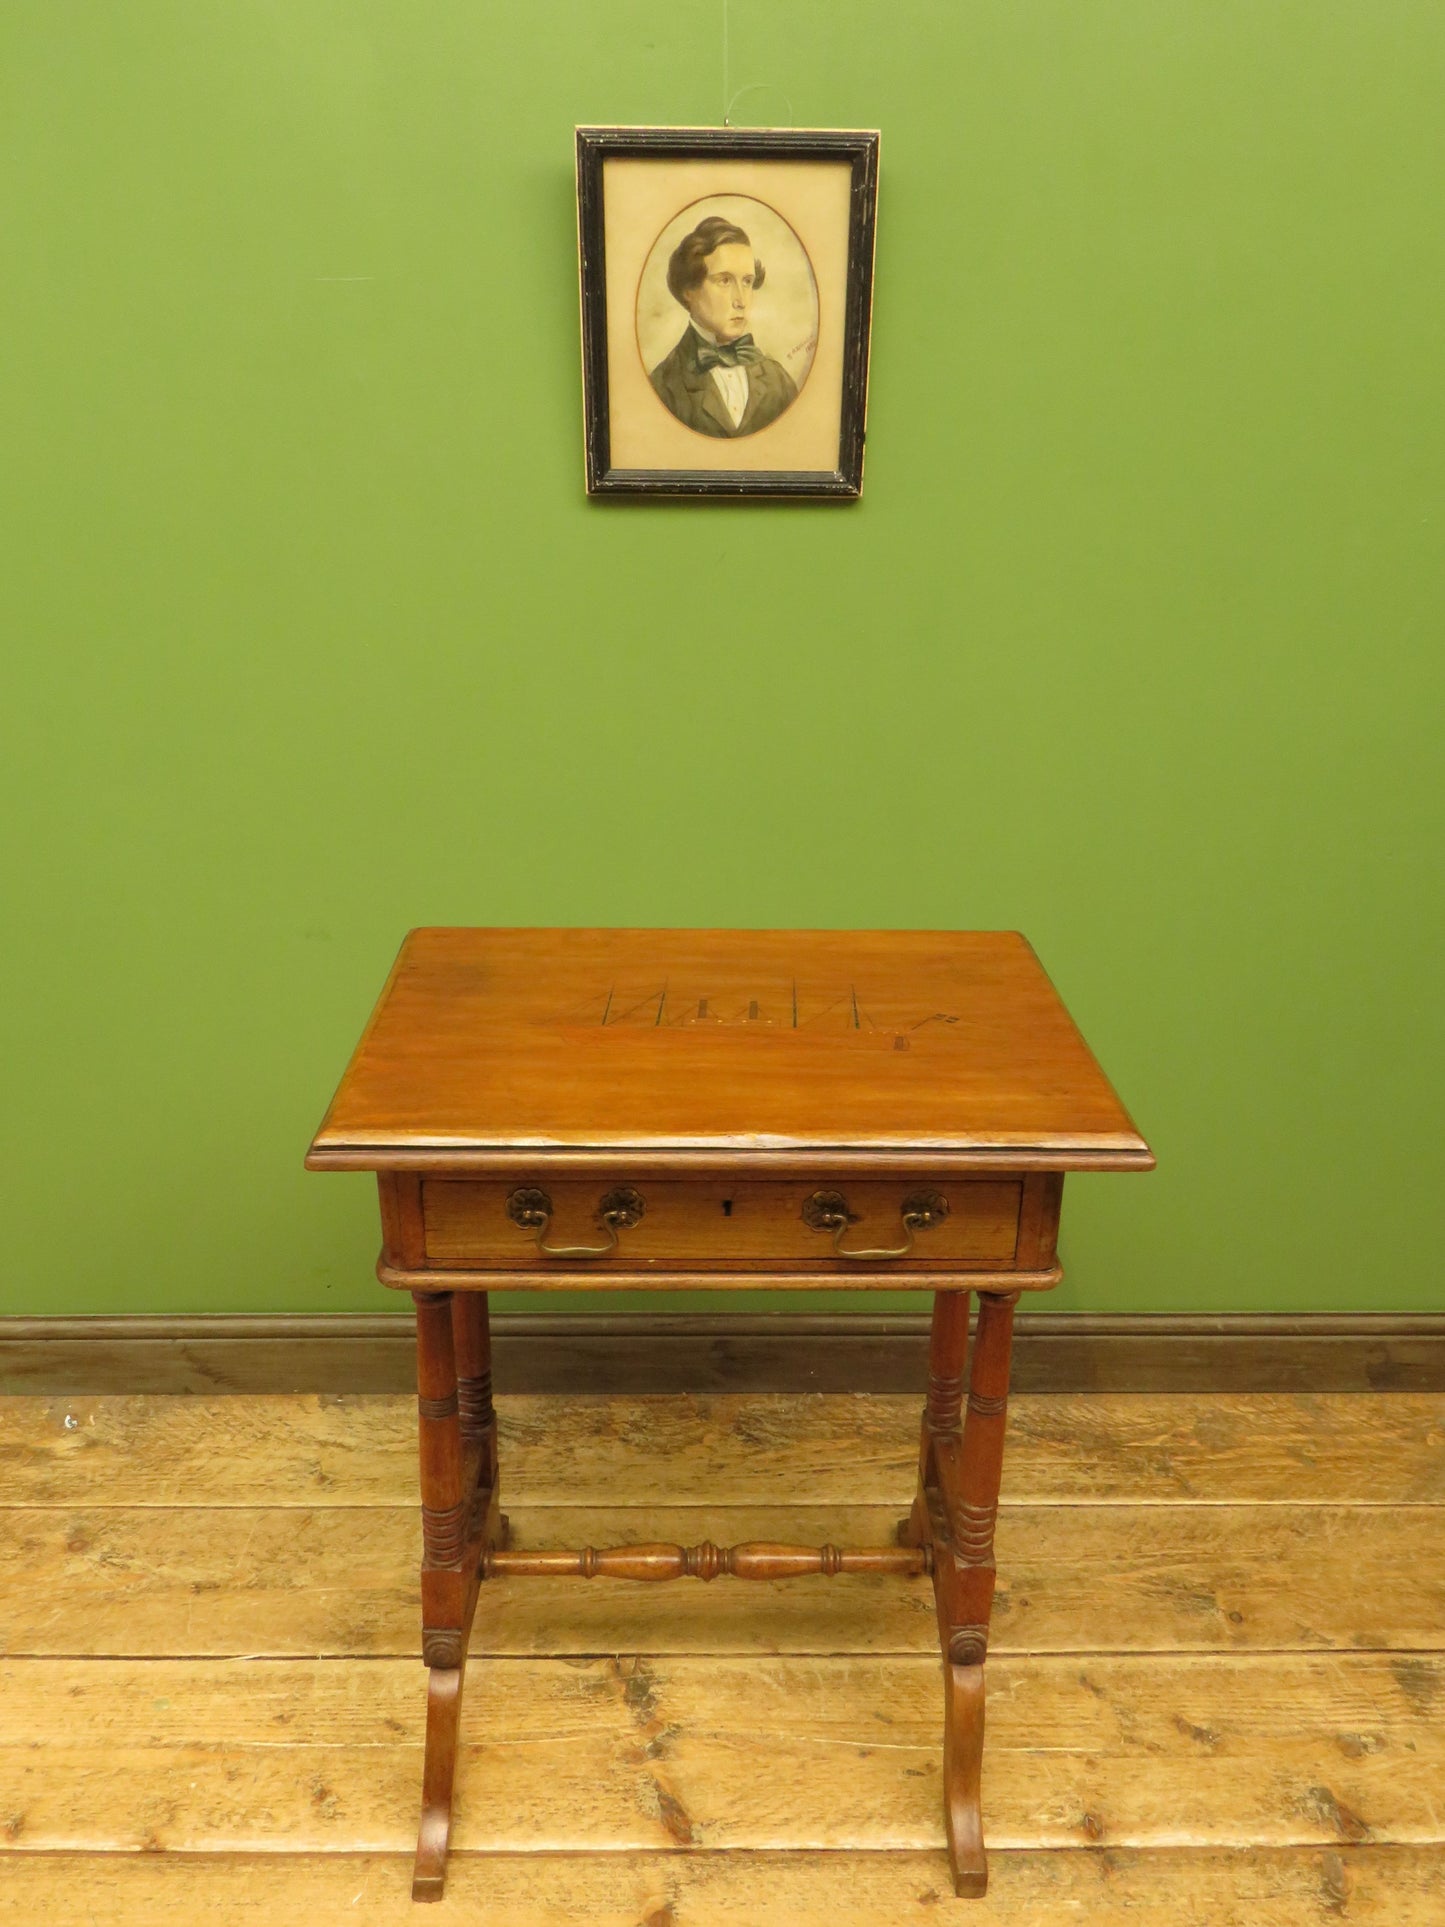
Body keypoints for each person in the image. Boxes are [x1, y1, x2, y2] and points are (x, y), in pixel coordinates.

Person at [649, 215, 798, 437]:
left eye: (747, 281)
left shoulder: (779, 381)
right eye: (725, 281)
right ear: (689, 290)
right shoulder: (662, 387)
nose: (741, 301)